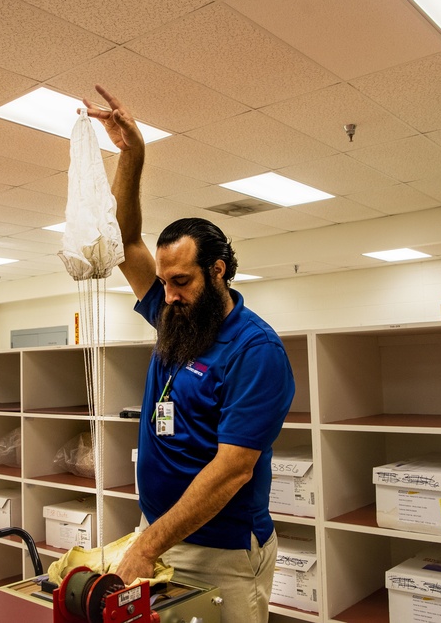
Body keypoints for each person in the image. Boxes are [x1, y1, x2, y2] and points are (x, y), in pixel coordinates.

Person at [84, 85, 295, 622]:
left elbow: (231, 471)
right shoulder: (176, 318)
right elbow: (125, 238)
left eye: (181, 281)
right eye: (164, 282)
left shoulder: (256, 350)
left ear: (218, 271)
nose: (168, 295)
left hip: (222, 554)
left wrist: (147, 547)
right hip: (163, 533)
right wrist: (132, 156)